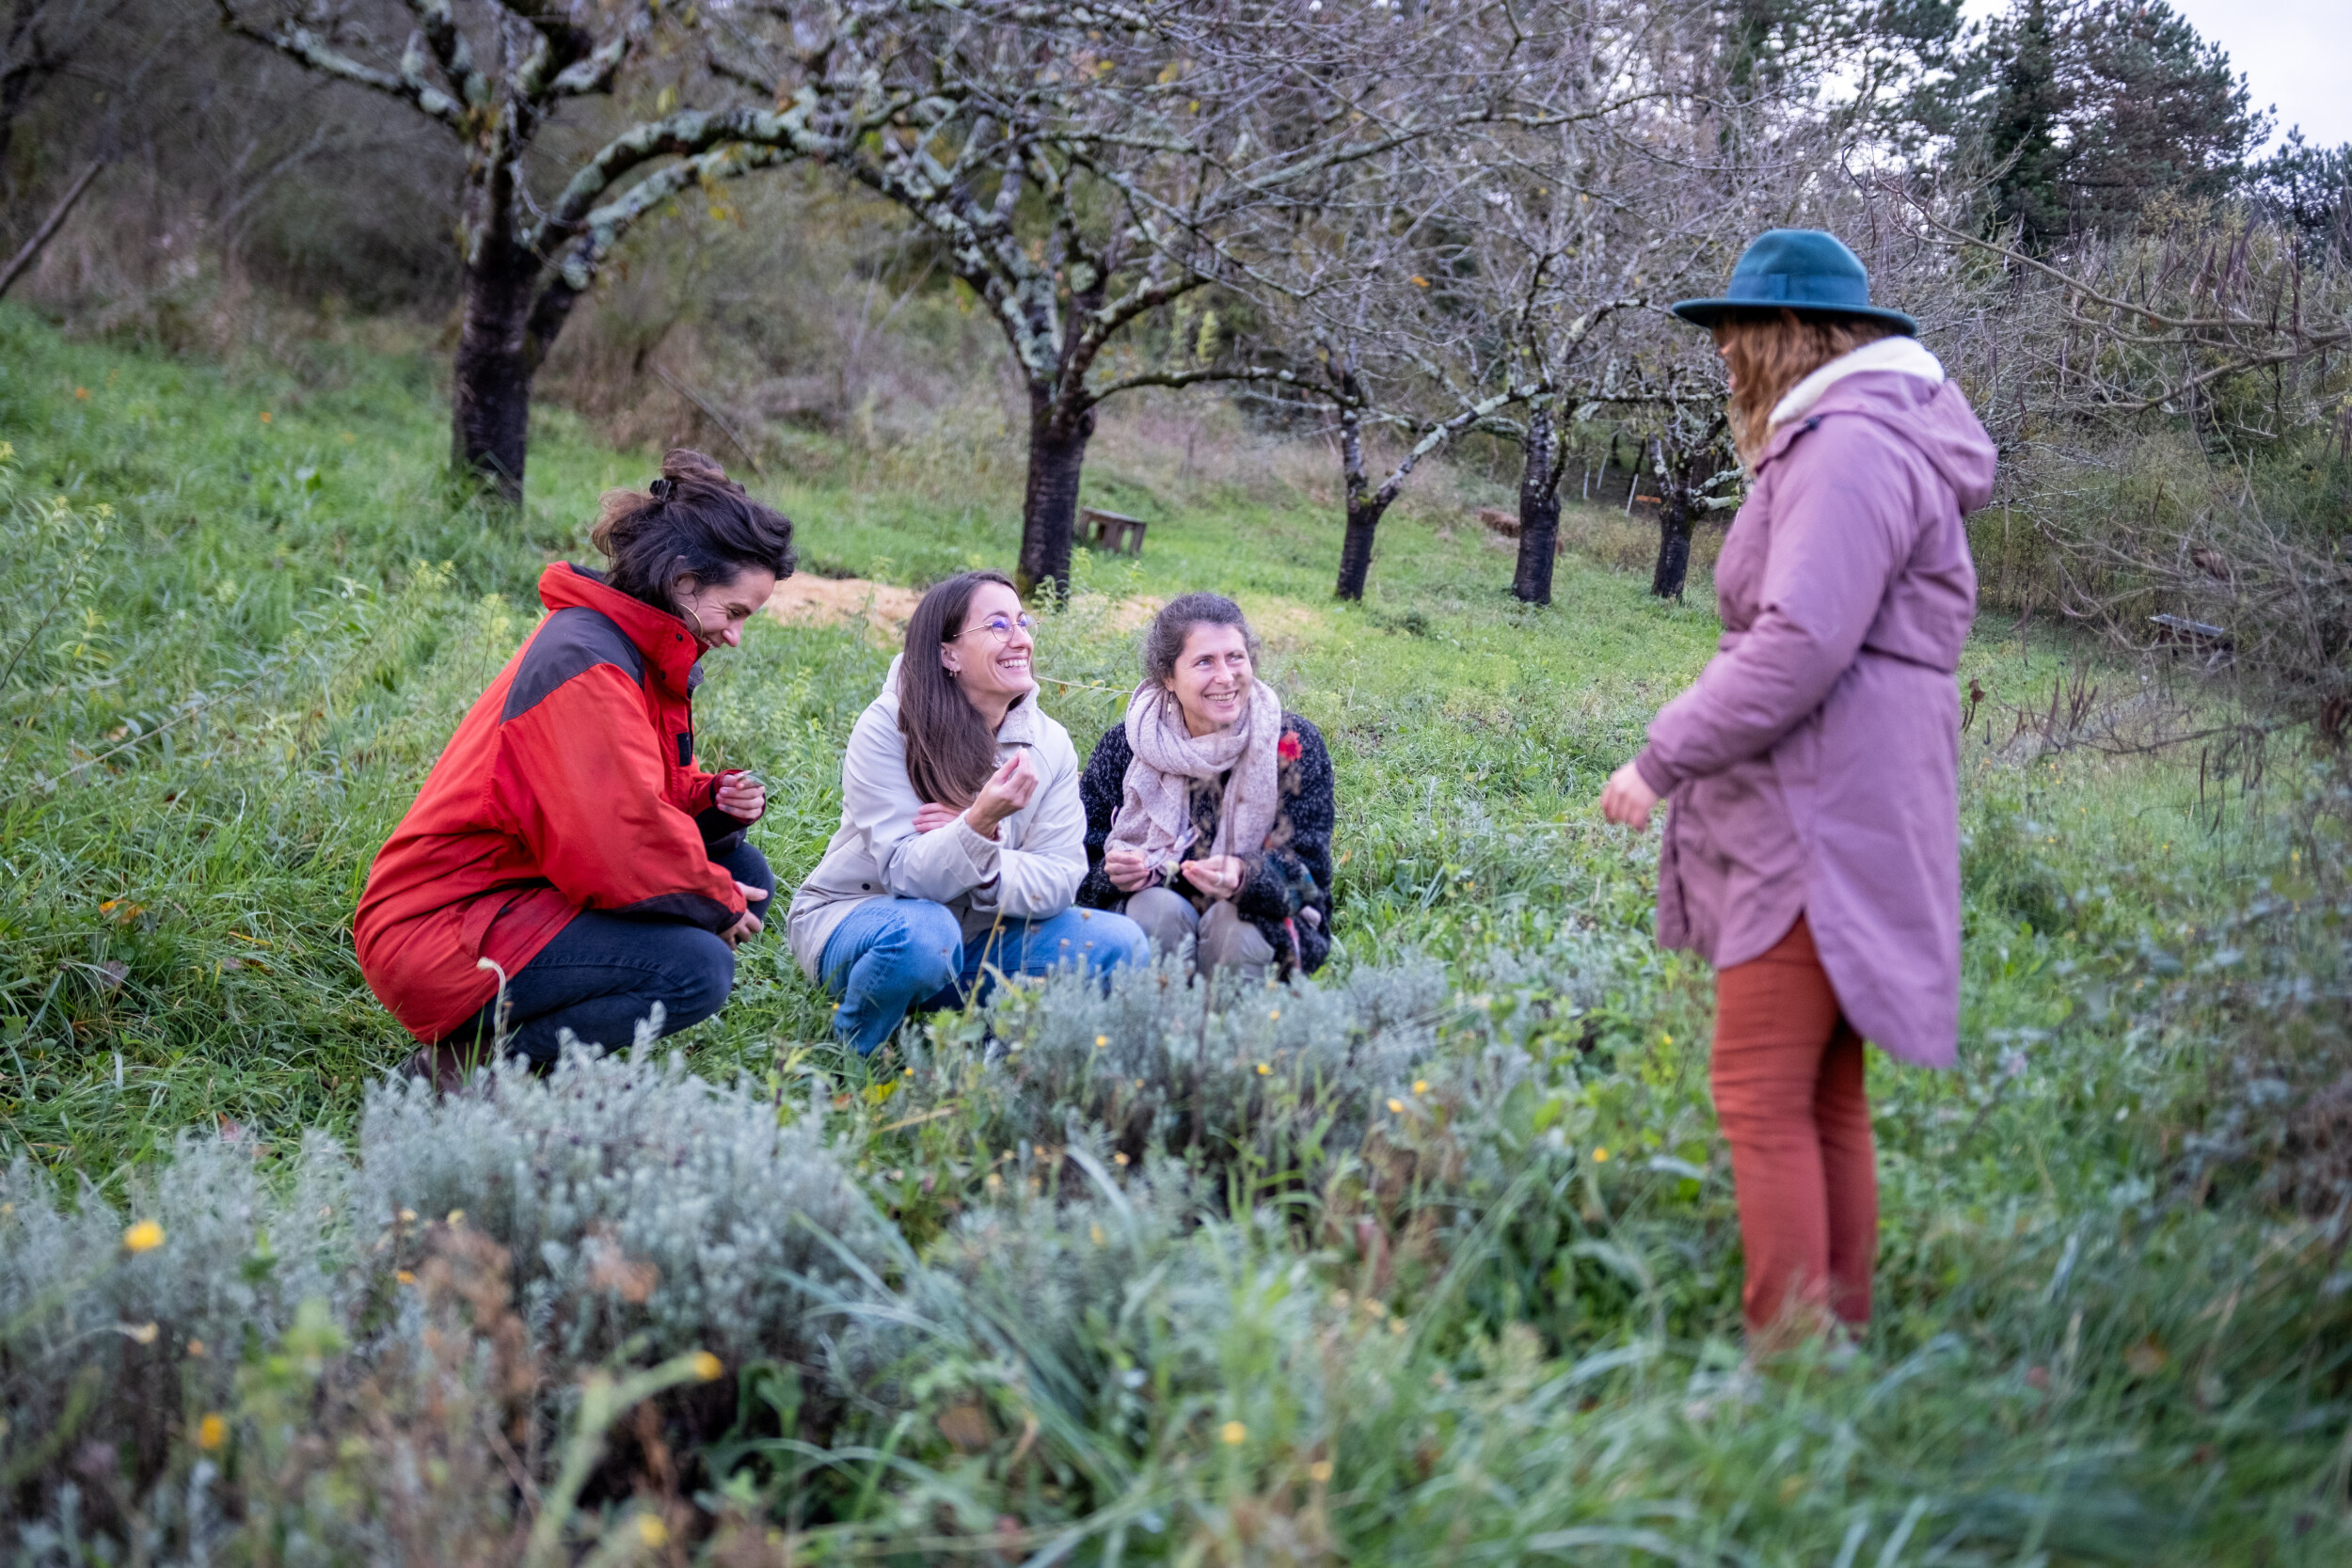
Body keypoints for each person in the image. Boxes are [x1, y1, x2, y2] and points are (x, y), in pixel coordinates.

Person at [1597, 230, 1996, 1347]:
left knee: (1761, 1088)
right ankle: (1832, 1346)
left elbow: (1802, 641)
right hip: (1852, 796)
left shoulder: (1850, 445)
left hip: (1816, 812)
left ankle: (1788, 1369)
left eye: (1733, 337)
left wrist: (1658, 754)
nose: (1723, 360)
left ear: (1784, 337)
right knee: (1818, 1090)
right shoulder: (1858, 436)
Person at [356, 449, 794, 1089]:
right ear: (684, 579)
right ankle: (462, 1068)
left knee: (744, 871)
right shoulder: (587, 660)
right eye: (735, 613)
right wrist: (716, 902)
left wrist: (708, 803)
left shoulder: (635, 647)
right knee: (697, 966)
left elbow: (646, 797)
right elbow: (617, 845)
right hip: (439, 926)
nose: (735, 636)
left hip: (514, 888)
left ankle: (532, 1053)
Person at [787, 570, 1150, 1054]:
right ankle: (854, 1056)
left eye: (1023, 622)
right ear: (948, 653)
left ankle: (986, 1062)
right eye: (998, 626)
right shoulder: (889, 726)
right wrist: (978, 822)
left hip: (978, 939)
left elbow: (1062, 878)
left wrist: (982, 850)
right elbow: (904, 874)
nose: (1020, 638)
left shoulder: (1050, 744)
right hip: (863, 924)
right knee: (925, 936)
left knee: (1122, 943)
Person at [1075, 593, 1335, 982]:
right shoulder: (1128, 745)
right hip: (1151, 916)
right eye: (1204, 662)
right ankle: (1152, 1035)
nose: (1226, 677)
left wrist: (1248, 877)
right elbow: (1078, 865)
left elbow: (1310, 883)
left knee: (1235, 928)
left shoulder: (1292, 746)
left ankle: (1235, 1039)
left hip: (1256, 919)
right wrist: (1110, 875)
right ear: (1168, 676)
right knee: (1155, 912)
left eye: (1235, 657)